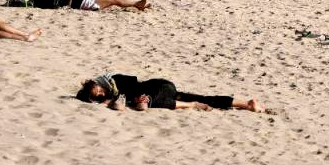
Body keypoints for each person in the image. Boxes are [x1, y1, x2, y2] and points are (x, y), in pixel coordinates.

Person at [76, 73, 265, 113]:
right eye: (97, 94)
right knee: (204, 98)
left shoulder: (116, 80)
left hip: (158, 87)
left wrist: (143, 98)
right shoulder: (110, 97)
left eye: (99, 89)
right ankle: (247, 104)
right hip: (160, 97)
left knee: (144, 104)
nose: (101, 93)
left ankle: (191, 106)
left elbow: (136, 85)